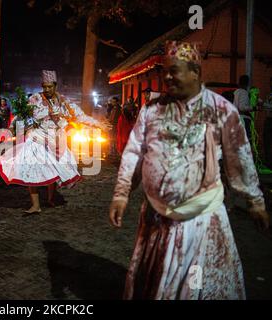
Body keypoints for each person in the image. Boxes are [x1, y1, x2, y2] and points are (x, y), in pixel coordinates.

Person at [109, 41, 269, 300]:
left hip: (202, 220)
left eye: (175, 71)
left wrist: (255, 200)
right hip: (156, 220)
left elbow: (239, 157)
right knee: (157, 282)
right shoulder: (151, 111)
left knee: (196, 285)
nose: (168, 77)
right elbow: (134, 152)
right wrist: (121, 193)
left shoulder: (221, 110)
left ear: (196, 72)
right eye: (166, 71)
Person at [0, 70, 109, 214]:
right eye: (44, 86)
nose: (47, 89)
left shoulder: (64, 101)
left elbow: (80, 116)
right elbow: (22, 114)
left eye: (50, 86)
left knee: (53, 169)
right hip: (36, 138)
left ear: (55, 86)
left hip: (55, 140)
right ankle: (35, 205)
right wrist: (13, 127)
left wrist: (98, 124)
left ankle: (51, 199)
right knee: (31, 168)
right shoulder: (35, 99)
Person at [233, 75, 252, 141]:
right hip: (243, 119)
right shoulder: (244, 92)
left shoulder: (236, 92)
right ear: (247, 83)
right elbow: (242, 107)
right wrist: (253, 108)